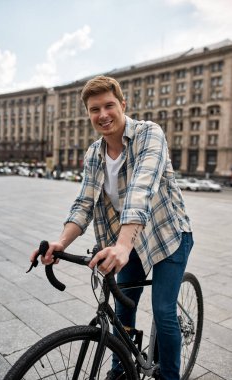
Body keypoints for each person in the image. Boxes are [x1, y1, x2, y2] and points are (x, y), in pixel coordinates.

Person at [31, 75, 193, 380]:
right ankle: (120, 372)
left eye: (108, 105)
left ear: (123, 105)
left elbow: (140, 190)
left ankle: (170, 376)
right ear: (89, 114)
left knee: (164, 311)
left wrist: (122, 245)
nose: (102, 114)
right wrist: (61, 243)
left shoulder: (149, 134)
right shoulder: (94, 153)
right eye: (94, 109)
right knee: (122, 309)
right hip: (127, 239)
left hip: (167, 235)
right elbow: (84, 202)